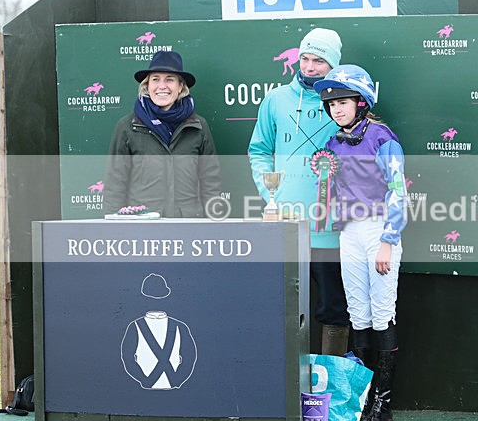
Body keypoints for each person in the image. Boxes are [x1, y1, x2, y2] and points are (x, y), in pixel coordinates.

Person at [248, 28, 351, 356]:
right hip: (287, 226)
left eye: (318, 60)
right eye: (304, 58)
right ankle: (289, 390)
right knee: (286, 309)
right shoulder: (276, 99)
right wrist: (270, 197)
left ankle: (330, 393)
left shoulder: (345, 102)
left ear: (332, 64)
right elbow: (259, 150)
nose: (308, 66)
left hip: (331, 231)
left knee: (334, 309)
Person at [314, 64, 408, 421]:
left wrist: (388, 241)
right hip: (348, 233)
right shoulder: (331, 144)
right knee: (358, 313)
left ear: (361, 101)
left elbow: (399, 192)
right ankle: (361, 399)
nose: (336, 108)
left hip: (379, 231)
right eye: (331, 103)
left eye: (343, 101)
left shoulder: (383, 138)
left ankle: (384, 404)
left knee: (382, 312)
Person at [103, 50, 222, 216]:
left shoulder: (198, 126)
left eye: (170, 79)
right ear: (147, 86)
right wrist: (113, 229)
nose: (162, 86)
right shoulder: (128, 126)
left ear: (181, 86)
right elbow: (115, 183)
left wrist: (213, 222)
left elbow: (211, 183)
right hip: (144, 228)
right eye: (155, 79)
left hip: (189, 226)